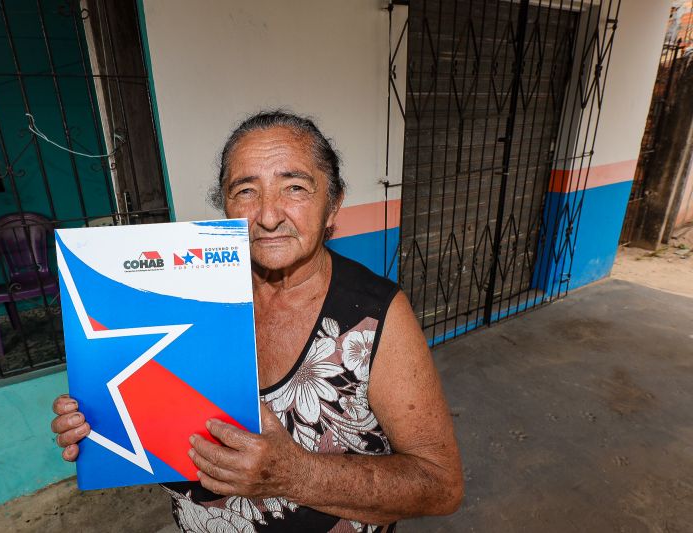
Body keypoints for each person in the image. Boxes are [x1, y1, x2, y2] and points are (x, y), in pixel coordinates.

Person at [51, 111, 463, 532]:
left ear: (333, 204)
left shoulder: (374, 316)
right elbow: (160, 418)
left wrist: (295, 474)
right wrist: (101, 423)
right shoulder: (188, 295)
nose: (268, 216)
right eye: (245, 191)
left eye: (295, 187)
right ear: (225, 205)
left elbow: (441, 486)